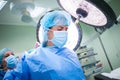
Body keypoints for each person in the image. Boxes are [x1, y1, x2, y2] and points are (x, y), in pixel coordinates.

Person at [3, 10, 86, 80]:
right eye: (60, 29)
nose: (65, 32)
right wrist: (11, 70)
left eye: (66, 29)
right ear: (47, 31)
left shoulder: (71, 54)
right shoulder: (31, 58)